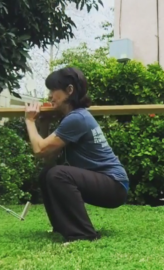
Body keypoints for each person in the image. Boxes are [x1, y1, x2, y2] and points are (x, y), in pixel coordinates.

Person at [24, 67, 129, 243]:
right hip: (107, 182)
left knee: (58, 174)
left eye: (53, 90)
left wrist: (29, 121)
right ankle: (62, 227)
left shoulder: (77, 118)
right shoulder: (72, 118)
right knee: (48, 174)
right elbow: (47, 157)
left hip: (114, 184)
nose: (49, 96)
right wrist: (43, 125)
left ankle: (83, 234)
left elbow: (39, 150)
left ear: (69, 90)